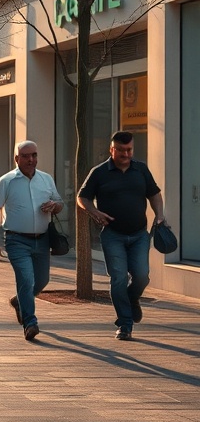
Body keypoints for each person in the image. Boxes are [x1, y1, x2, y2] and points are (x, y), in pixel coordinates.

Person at [77, 131, 165, 341]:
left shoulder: (141, 169)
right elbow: (83, 197)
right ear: (111, 150)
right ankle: (125, 324)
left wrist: (160, 217)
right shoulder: (99, 172)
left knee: (142, 276)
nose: (126, 154)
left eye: (129, 150)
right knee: (118, 279)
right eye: (121, 150)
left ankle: (132, 297)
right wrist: (95, 212)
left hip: (139, 234)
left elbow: (154, 194)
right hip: (113, 235)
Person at [0, 141, 63, 341]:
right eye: (26, 156)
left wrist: (54, 205)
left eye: (34, 155)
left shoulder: (46, 179)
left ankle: (20, 301)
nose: (31, 160)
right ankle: (30, 322)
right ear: (16, 159)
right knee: (26, 279)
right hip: (16, 239)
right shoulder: (7, 181)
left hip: (43, 239)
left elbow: (60, 203)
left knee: (42, 281)